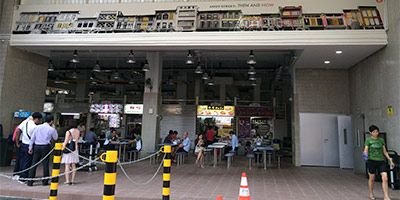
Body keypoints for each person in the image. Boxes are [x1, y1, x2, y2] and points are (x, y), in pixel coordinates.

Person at [364, 125, 395, 200]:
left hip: (381, 161)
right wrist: (365, 156)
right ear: (370, 132)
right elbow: (366, 149)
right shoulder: (368, 140)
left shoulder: (381, 140)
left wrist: (390, 161)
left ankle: (386, 196)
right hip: (372, 161)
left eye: (377, 132)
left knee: (385, 177)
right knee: (372, 178)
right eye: (374, 132)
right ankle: (371, 193)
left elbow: (384, 151)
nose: (376, 133)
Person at [27, 115, 58, 186]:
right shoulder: (51, 129)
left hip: (37, 146)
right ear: (51, 121)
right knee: (45, 163)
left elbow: (32, 138)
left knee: (34, 163)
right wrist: (54, 129)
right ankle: (45, 181)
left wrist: (30, 147)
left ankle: (30, 181)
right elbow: (55, 138)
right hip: (45, 146)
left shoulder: (37, 127)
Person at [16, 112, 42, 184]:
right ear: (37, 119)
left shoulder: (26, 121)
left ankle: (21, 175)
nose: (38, 121)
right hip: (30, 145)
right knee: (27, 162)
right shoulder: (34, 127)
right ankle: (23, 177)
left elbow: (18, 130)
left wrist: (17, 142)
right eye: (38, 120)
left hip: (23, 144)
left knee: (22, 160)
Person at [61, 119, 80, 186]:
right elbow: (77, 140)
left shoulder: (68, 132)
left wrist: (62, 148)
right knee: (73, 165)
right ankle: (72, 180)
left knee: (67, 165)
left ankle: (67, 180)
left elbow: (66, 141)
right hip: (75, 149)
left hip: (68, 149)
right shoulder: (78, 131)